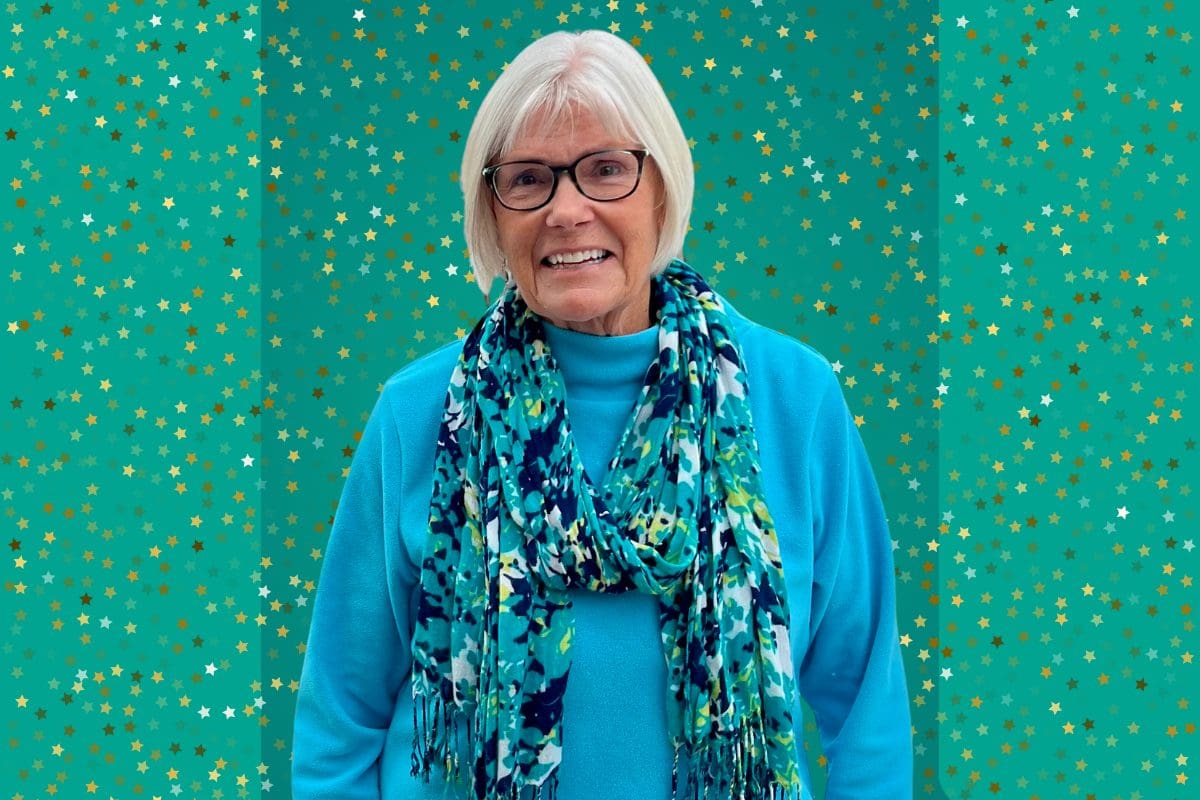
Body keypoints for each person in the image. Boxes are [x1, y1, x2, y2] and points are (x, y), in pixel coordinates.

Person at [292, 29, 911, 800]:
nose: (567, 210)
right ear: (492, 213)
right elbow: (341, 713)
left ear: (663, 189)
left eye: (607, 169)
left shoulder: (794, 396)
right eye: (527, 180)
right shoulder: (419, 411)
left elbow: (864, 701)